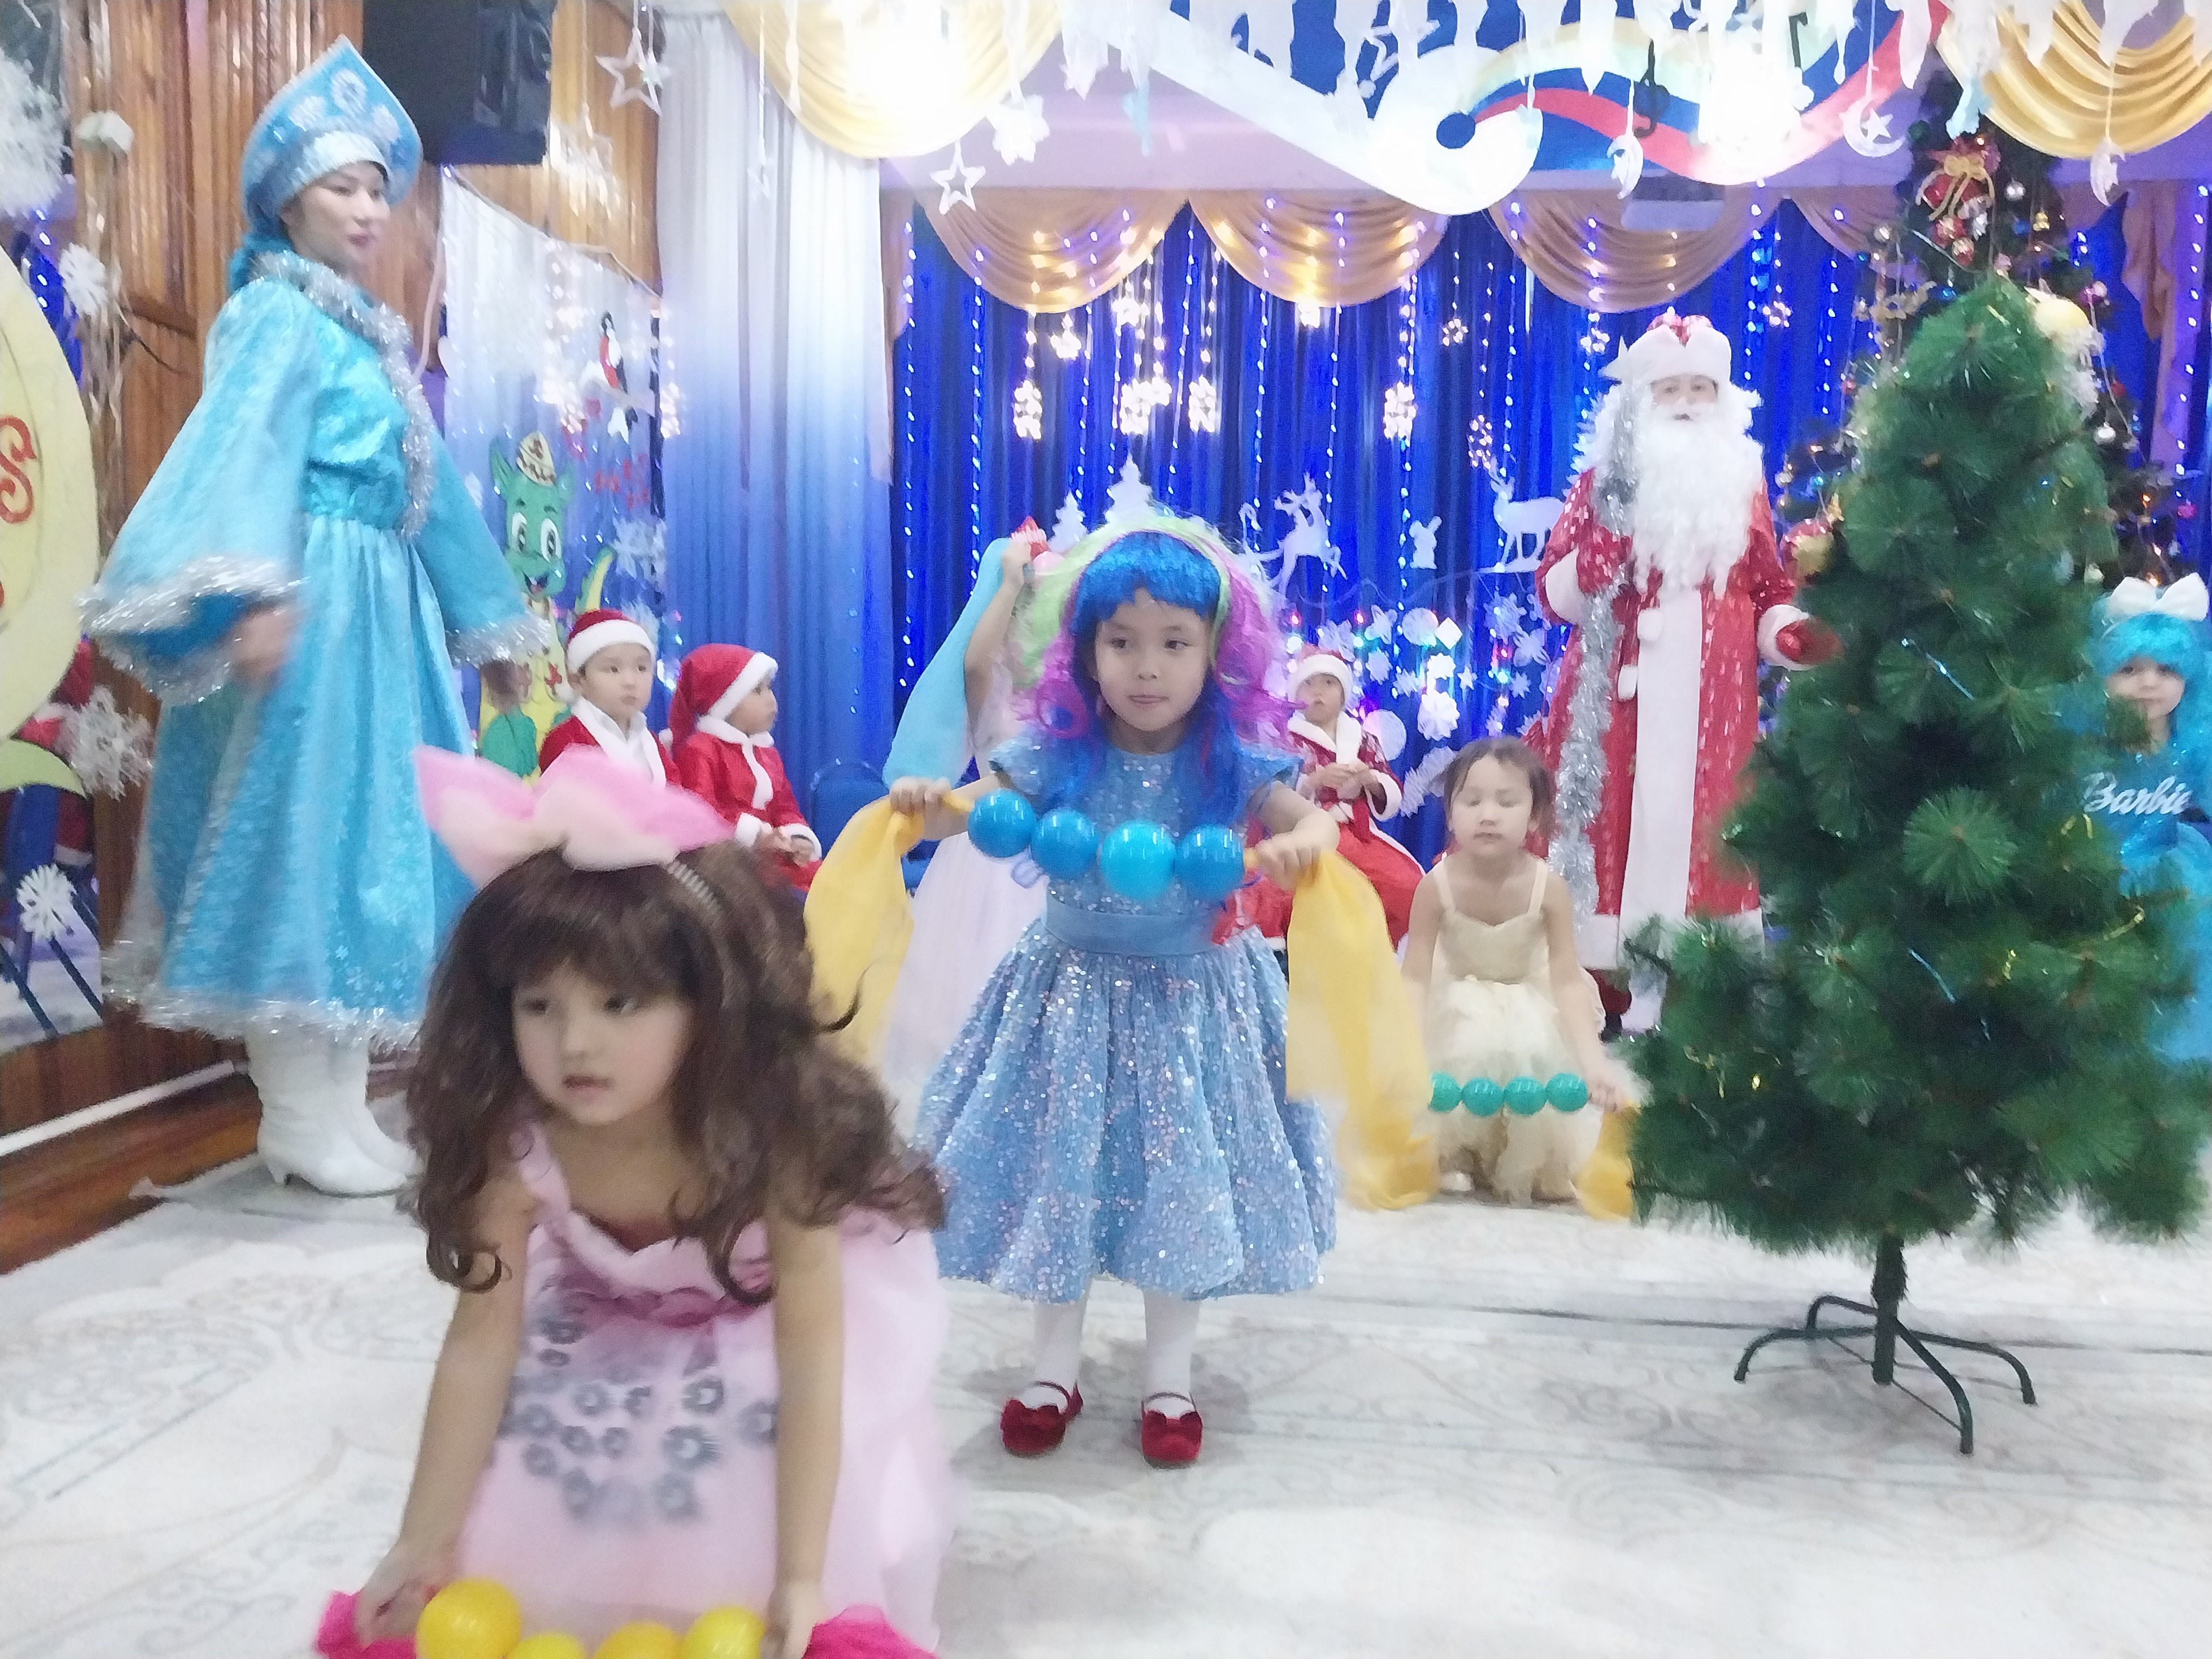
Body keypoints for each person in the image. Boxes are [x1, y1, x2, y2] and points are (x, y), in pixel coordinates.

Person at [348, 747, 948, 1657]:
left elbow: (811, 1358)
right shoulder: (516, 1143)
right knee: (540, 1453)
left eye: (621, 1003)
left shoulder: (775, 1135)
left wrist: (801, 1578)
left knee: (741, 1463)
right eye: (539, 1005)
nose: (575, 1045)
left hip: (769, 1321)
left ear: (711, 1002)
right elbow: (479, 1343)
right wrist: (420, 1542)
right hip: (608, 1310)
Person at [78, 41, 542, 1196]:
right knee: (298, 843)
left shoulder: (367, 336)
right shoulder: (276, 317)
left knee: (363, 850)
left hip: (382, 618)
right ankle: (293, 1110)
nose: (369, 209)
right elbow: (244, 453)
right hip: (313, 608)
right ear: (289, 202)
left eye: (380, 189)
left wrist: (488, 627)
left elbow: (430, 497)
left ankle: (335, 1107)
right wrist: (252, 589)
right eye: (344, 187)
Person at [892, 519, 1340, 1469]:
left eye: (1174, 642)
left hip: (1191, 1006)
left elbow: (1309, 821)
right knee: (1065, 1184)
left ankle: (1168, 1379)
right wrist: (929, 806)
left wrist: (1306, 843)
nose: (1147, 667)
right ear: (1086, 653)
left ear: (1214, 653)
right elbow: (978, 811)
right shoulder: (1059, 755)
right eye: (1121, 642)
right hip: (1069, 998)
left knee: (1179, 1186)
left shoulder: (1229, 762)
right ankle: (1051, 1371)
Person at [1529, 310, 1834, 1032]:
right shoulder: (1600, 485)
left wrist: (1790, 635)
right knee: (1608, 827)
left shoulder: (1743, 486)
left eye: (1702, 388)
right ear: (1640, 401)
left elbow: (1768, 587)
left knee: (1705, 832)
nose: (1688, 402)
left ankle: (1694, 994)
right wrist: (1601, 552)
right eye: (1670, 389)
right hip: (1616, 696)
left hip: (1716, 704)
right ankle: (1597, 989)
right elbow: (1552, 592)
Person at [877, 524, 1052, 1127]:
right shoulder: (986, 680)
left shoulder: (1068, 698)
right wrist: (1008, 584)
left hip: (1056, 851)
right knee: (973, 989)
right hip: (989, 853)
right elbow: (976, 658)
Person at [1403, 739, 1626, 1204]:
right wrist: (1401, 1048)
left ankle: (1526, 1158)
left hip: (1528, 992)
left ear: (1535, 817)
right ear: (1450, 815)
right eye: (1472, 801)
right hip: (1457, 994)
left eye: (1507, 802)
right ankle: (1456, 1153)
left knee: (1530, 1048)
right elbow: (1416, 977)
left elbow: (1567, 980)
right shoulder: (1434, 886)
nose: (1488, 815)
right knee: (1469, 1045)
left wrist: (1594, 1063)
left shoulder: (1550, 888)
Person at [2086, 574, 2212, 1060]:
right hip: (2091, 871)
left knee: (2185, 955)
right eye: (2129, 669)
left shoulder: (2194, 746)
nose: (2149, 683)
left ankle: (2172, 1063)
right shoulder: (2085, 747)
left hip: (2173, 872)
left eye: (2167, 669)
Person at [1283, 648, 1421, 945]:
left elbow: (1389, 787)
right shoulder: (1285, 739)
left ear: (1344, 693)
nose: (1318, 691)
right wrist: (1315, 781)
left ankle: (1374, 950)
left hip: (1358, 833)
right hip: (1309, 835)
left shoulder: (1363, 739)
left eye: (1328, 683)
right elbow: (1270, 795)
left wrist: (1369, 780)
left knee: (1405, 883)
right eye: (1309, 683)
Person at [672, 644, 821, 892]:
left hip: (772, 856)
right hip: (726, 864)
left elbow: (784, 807)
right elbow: (703, 813)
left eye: (770, 688)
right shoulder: (700, 750)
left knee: (830, 884)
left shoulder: (766, 752)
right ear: (726, 702)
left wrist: (797, 837)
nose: (771, 700)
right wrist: (757, 835)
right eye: (757, 690)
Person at [538, 607, 674, 782]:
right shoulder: (567, 740)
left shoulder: (652, 743)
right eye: (613, 669)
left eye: (641, 668)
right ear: (578, 680)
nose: (630, 682)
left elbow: (674, 793)